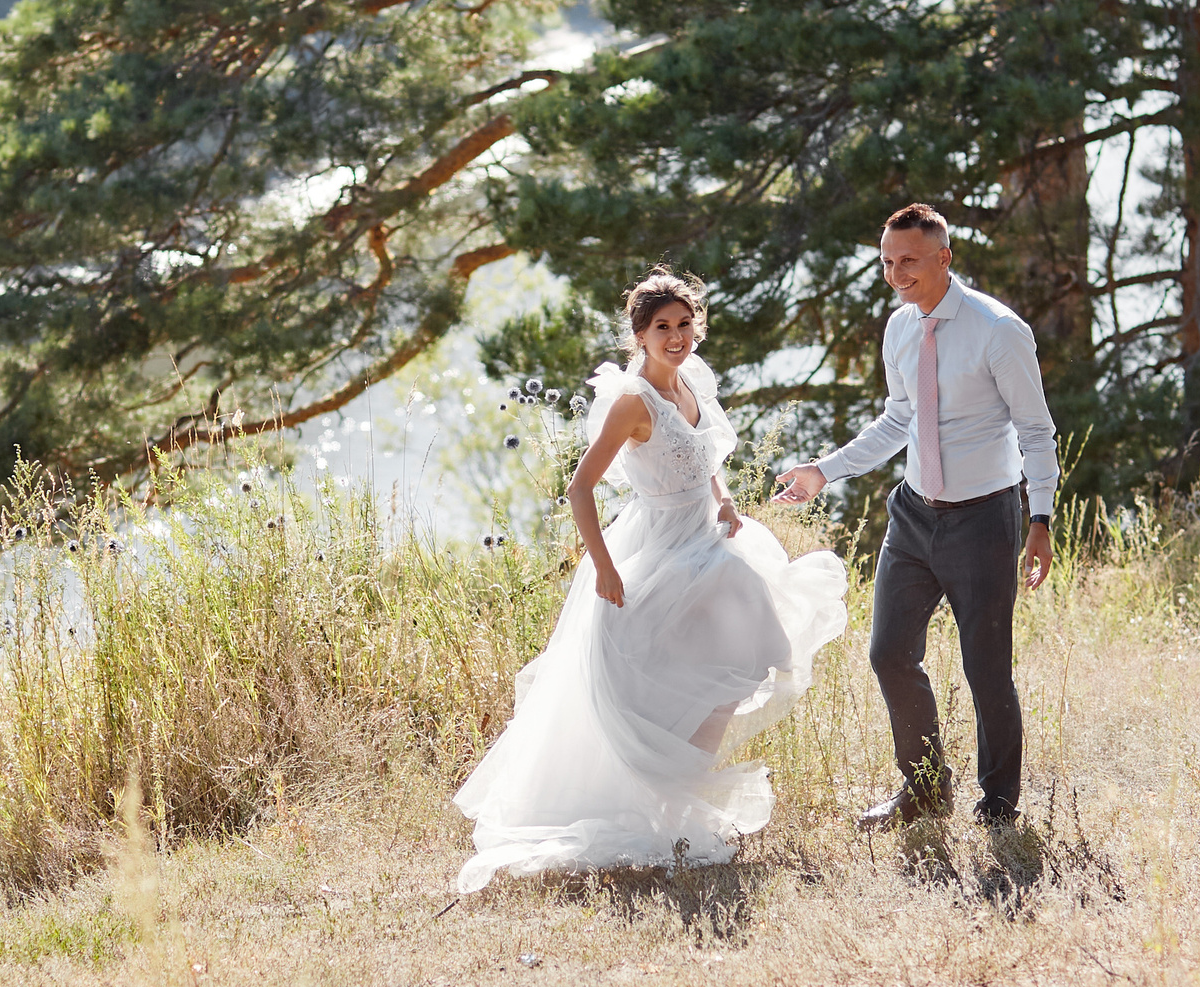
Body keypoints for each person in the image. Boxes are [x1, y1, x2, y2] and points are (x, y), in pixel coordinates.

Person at [450, 271, 848, 892]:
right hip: (657, 545)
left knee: (735, 662)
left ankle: (681, 796)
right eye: (662, 327)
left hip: (705, 536)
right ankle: (648, 800)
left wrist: (723, 501)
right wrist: (605, 566)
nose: (676, 337)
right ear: (639, 335)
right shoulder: (633, 402)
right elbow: (580, 489)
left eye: (685, 325)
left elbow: (703, 454)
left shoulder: (693, 380)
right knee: (668, 669)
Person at [774, 203, 1058, 831]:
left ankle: (999, 805)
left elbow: (1036, 431)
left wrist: (1039, 518)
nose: (896, 273)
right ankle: (925, 790)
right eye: (886, 261)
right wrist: (826, 469)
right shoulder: (900, 329)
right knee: (888, 652)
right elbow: (897, 420)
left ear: (943, 258)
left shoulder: (997, 330)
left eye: (908, 260)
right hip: (912, 516)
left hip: (984, 518)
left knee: (986, 668)